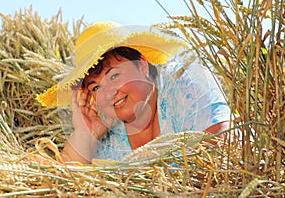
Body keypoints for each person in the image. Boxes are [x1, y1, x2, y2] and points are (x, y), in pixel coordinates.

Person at [36, 21, 230, 164]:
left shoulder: (185, 83)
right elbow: (65, 186)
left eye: (114, 76)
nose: (109, 93)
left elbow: (222, 150)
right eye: (96, 87)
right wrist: (85, 134)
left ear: (143, 66)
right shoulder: (107, 134)